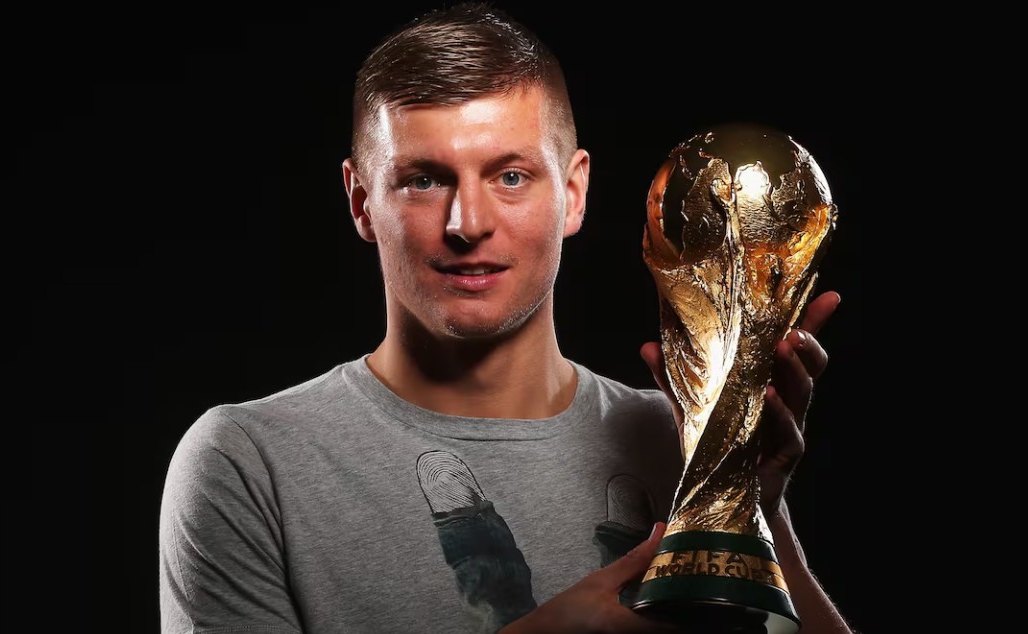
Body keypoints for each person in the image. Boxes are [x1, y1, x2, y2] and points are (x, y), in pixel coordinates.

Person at [158, 3, 855, 633]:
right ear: (361, 201)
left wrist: (752, 506)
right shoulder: (248, 461)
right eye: (424, 179)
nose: (467, 223)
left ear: (574, 192)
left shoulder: (674, 440)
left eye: (510, 176)